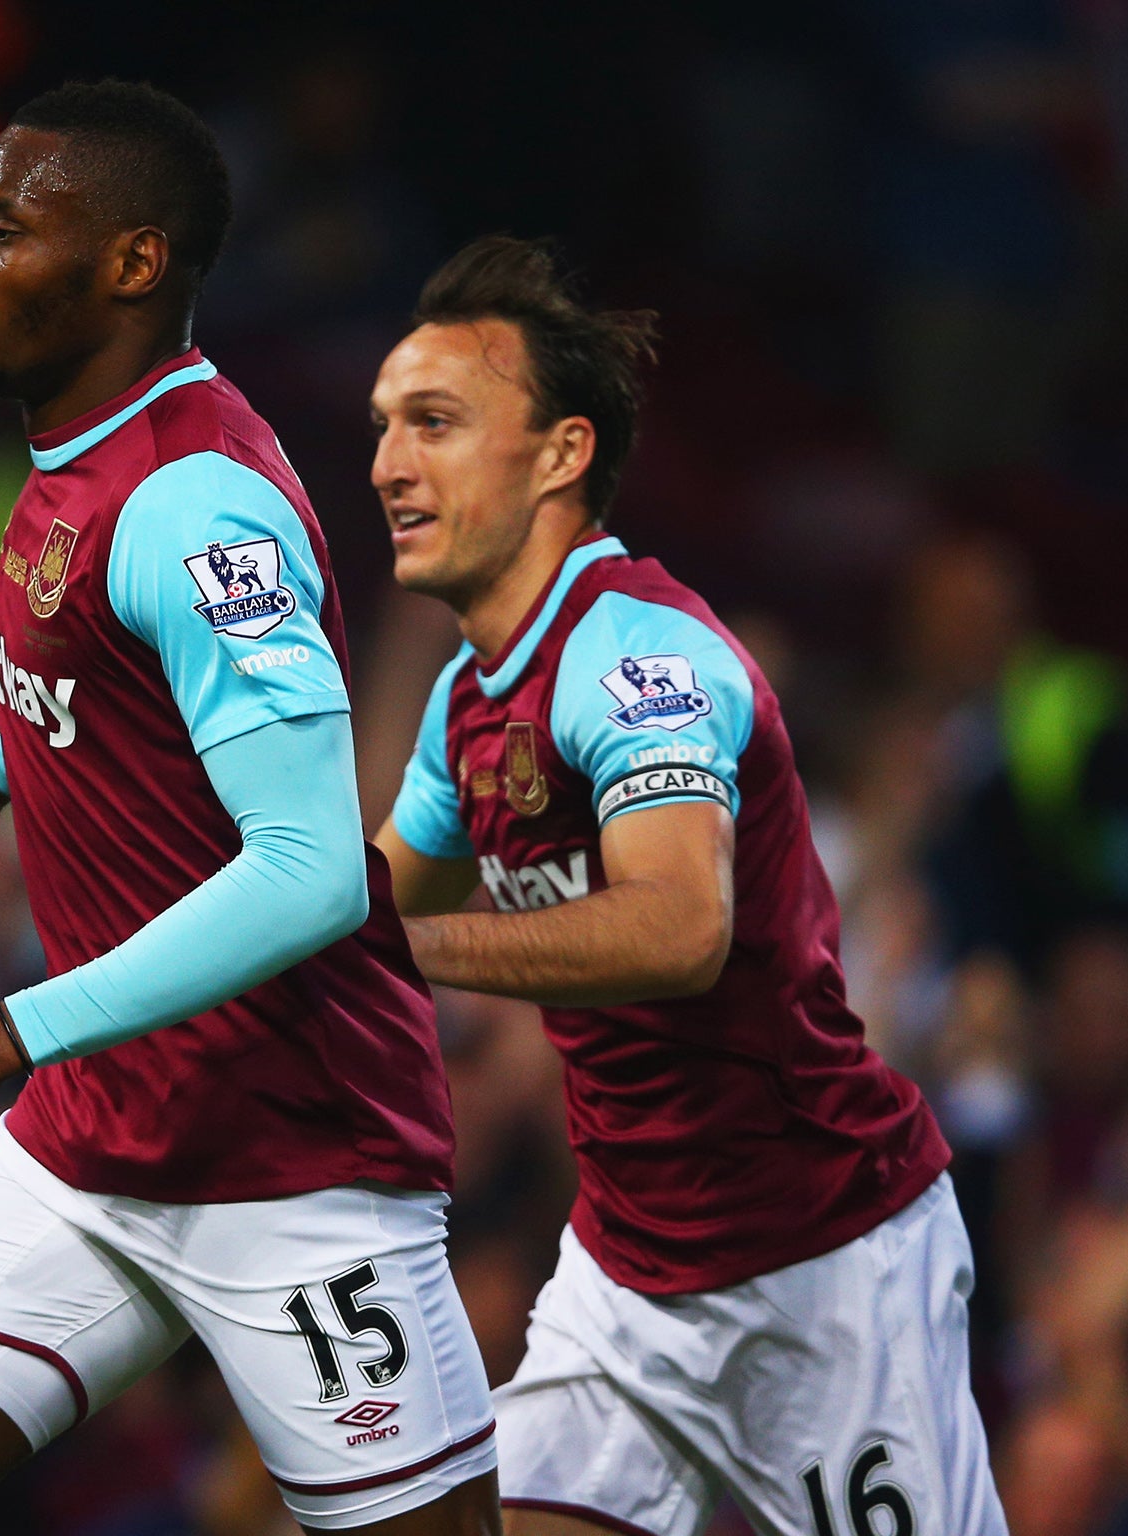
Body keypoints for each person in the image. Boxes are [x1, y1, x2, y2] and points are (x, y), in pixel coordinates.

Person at [0, 82, 500, 1536]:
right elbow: (124, 685)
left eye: (7, 230)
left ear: (134, 265)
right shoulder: (75, 457)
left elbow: (309, 871)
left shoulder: (197, 507)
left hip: (292, 1161)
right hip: (95, 1135)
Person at [368, 236, 1007, 1536]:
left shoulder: (640, 658)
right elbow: (354, 908)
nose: (388, 465)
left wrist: (402, 942)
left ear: (561, 453)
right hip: (632, 1272)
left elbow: (676, 927)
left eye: (436, 423)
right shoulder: (465, 701)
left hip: (823, 1265)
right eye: (385, 425)